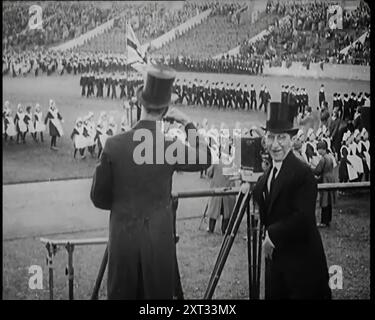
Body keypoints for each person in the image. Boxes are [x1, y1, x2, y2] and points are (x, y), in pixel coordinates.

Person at [90, 64, 212, 300]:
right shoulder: (169, 147)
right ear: (166, 110)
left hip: (122, 241)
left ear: (139, 104)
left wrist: (123, 205)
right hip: (158, 243)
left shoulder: (114, 145)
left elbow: (98, 197)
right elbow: (205, 157)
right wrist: (187, 123)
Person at [242, 101, 331, 299]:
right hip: (278, 264)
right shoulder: (268, 174)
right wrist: (250, 186)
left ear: (292, 139)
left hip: (303, 266)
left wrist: (272, 234)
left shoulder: (303, 173)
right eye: (271, 137)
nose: (275, 144)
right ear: (265, 140)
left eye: (281, 137)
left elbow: (304, 217)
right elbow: (266, 194)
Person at [205, 152, 236, 234]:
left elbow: (209, 173)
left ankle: (211, 229)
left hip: (217, 191)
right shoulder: (232, 165)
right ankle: (224, 230)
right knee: (227, 213)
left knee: (213, 212)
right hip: (228, 192)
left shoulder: (216, 163)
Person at [313, 140, 336, 228]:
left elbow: (318, 171)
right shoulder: (329, 157)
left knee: (324, 201)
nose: (318, 152)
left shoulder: (323, 159)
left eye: (318, 149)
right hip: (331, 178)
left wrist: (310, 169)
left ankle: (324, 221)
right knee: (329, 201)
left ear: (322, 149)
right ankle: (328, 220)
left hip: (325, 179)